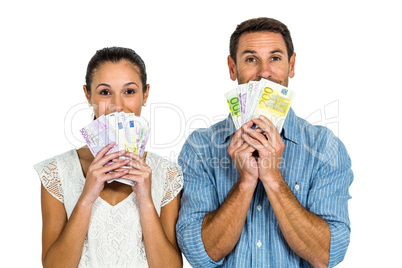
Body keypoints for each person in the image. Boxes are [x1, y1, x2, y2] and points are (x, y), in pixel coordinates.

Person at [176, 17, 353, 267]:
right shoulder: (200, 148)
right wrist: (246, 182)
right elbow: (200, 255)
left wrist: (273, 178)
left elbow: (327, 254)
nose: (264, 72)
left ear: (291, 66)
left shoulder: (325, 148)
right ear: (232, 68)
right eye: (250, 59)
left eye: (275, 58)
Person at [34, 47, 183, 268]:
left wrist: (146, 201)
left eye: (129, 91)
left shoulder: (168, 174)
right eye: (105, 92)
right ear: (88, 95)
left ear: (146, 94)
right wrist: (86, 197)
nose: (117, 105)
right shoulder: (57, 171)